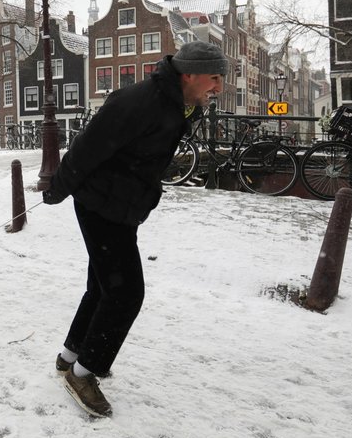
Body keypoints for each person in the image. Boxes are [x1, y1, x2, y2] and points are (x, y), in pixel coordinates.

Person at [42, 41, 227, 418]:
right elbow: (87, 147)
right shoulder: (138, 101)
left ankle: (70, 356)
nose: (218, 88)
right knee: (126, 293)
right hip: (101, 204)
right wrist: (56, 189)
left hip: (121, 205)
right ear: (188, 73)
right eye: (214, 79)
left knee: (103, 286)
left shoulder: (176, 102)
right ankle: (83, 373)